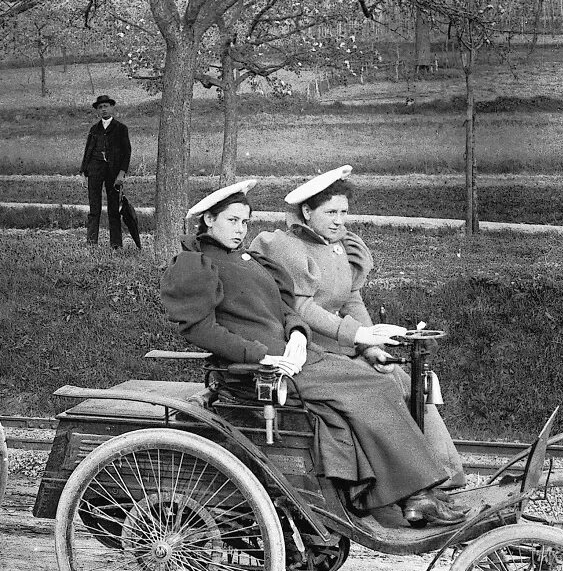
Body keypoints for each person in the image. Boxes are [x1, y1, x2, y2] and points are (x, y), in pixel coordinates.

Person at [160, 179, 467, 526]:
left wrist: (297, 335)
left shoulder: (247, 259)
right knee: (374, 385)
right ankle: (416, 496)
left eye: (245, 222)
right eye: (232, 221)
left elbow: (287, 308)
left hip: (295, 359)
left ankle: (406, 491)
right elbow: (199, 328)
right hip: (262, 372)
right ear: (209, 221)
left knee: (383, 379)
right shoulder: (196, 263)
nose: (241, 230)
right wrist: (259, 355)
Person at [250, 165, 466, 489]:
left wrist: (371, 347)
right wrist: (357, 335)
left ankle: (447, 475)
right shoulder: (288, 247)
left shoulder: (341, 246)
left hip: (343, 347)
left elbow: (352, 300)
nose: (339, 220)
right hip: (308, 350)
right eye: (331, 212)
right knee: (381, 390)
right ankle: (406, 485)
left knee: (407, 382)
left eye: (344, 211)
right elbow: (302, 307)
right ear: (306, 211)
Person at [80, 94, 130, 248]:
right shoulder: (94, 129)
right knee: (94, 208)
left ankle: (116, 245)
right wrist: (83, 171)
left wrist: (121, 173)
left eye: (106, 106)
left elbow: (127, 152)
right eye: (100, 107)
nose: (103, 109)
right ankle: (91, 243)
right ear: (97, 111)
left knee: (113, 209)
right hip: (95, 171)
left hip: (113, 173)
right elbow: (88, 150)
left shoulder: (121, 128)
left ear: (112, 108)